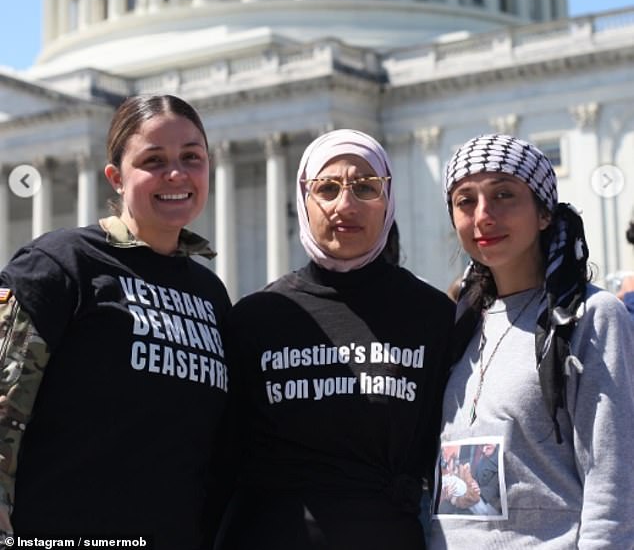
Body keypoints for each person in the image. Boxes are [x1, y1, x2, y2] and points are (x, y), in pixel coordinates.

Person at [0, 95, 232, 549]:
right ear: (117, 177)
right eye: (153, 160)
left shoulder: (210, 295)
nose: (177, 174)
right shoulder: (58, 265)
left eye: (192, 158)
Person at [215, 129, 455, 550]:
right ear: (303, 202)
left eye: (366, 187)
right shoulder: (258, 317)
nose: (346, 205)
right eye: (327, 188)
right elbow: (223, 457)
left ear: (389, 201)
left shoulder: (432, 316)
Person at [429, 134, 634, 548]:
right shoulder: (455, 324)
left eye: (504, 194)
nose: (483, 215)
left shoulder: (590, 317)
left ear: (543, 213)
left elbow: (612, 482)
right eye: (465, 201)